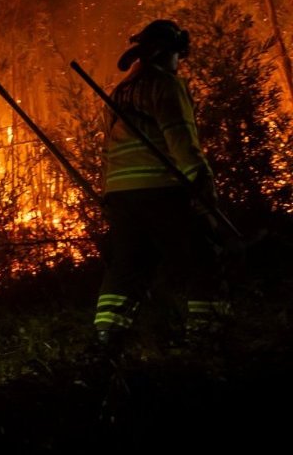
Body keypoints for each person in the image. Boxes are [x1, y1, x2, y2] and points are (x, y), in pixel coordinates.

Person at [92, 19, 229, 361]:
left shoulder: (118, 92)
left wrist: (108, 196)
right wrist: (204, 189)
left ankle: (106, 342)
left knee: (127, 266)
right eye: (178, 56)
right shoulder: (165, 85)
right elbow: (181, 140)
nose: (179, 63)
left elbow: (108, 149)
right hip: (161, 187)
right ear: (167, 52)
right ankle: (206, 338)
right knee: (203, 256)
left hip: (121, 194)